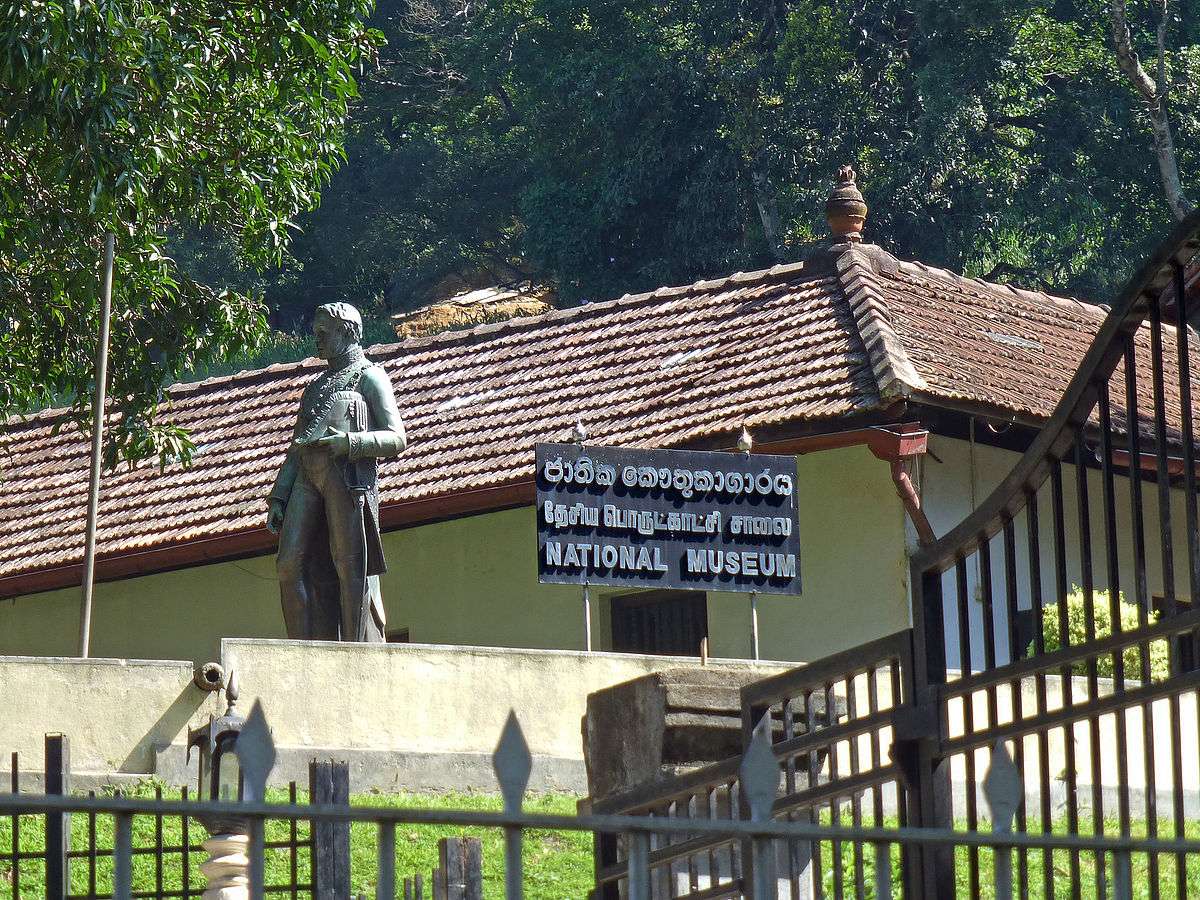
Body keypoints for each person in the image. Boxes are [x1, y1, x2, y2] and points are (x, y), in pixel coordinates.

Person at [266, 302, 406, 641]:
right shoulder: (314, 387)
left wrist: (351, 443)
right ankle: (303, 645)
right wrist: (278, 495)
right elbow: (295, 446)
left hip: (345, 476)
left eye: (324, 333)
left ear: (349, 331)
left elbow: (396, 438)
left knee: (350, 565)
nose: (317, 340)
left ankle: (357, 647)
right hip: (306, 475)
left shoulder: (370, 376)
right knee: (288, 564)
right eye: (316, 333)